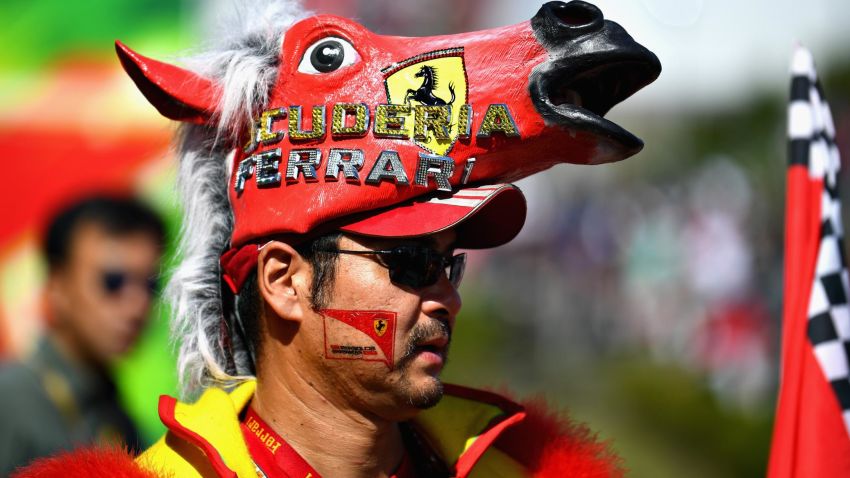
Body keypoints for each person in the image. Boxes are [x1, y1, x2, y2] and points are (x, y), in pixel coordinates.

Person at [16, 1, 660, 476]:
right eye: (409, 262)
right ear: (284, 281)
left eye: (449, 266)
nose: (446, 301)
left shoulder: (518, 467)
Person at [0, 195, 166, 476]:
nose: (138, 305)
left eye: (151, 285)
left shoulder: (114, 410)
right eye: (112, 281)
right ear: (57, 285)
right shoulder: (12, 398)